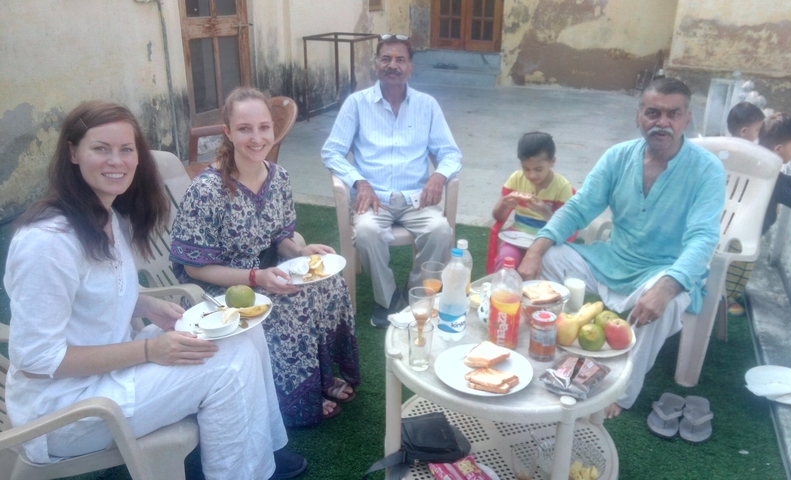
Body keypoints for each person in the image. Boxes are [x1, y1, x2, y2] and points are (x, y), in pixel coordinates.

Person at [4, 100, 306, 479]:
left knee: (244, 330)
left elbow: (91, 295)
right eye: (101, 148)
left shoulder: (109, 218)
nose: (117, 161)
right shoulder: (46, 242)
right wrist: (148, 349)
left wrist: (143, 304)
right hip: (67, 412)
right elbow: (37, 360)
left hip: (108, 376)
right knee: (230, 363)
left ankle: (265, 451)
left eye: (126, 149)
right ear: (73, 153)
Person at [518, 78, 726, 418]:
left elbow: (703, 238)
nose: (662, 122)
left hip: (662, 270)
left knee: (670, 301)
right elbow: (579, 207)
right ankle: (547, 355)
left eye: (673, 114)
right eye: (653, 112)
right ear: (639, 116)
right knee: (550, 259)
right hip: (610, 261)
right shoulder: (618, 157)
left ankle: (620, 393)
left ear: (687, 119)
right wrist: (536, 249)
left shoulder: (707, 170)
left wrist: (666, 286)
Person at [170, 87, 360, 427]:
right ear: (228, 132)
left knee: (329, 285)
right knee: (292, 308)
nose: (257, 138)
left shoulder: (279, 177)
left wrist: (301, 251)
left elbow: (280, 238)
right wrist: (256, 278)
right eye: (245, 129)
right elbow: (193, 267)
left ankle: (322, 375)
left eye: (264, 128)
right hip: (222, 292)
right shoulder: (207, 190)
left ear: (274, 129)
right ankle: (295, 397)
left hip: (264, 275)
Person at [321, 33, 462, 328]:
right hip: (374, 198)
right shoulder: (356, 104)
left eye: (400, 59)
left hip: (416, 198)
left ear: (410, 68)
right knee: (368, 233)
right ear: (376, 65)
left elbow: (450, 153)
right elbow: (331, 152)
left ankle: (417, 296)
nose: (393, 65)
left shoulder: (427, 105)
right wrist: (360, 182)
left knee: (439, 230)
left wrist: (438, 175)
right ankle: (388, 300)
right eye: (386, 58)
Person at [723, 113, 791, 315]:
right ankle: (725, 300)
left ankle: (723, 293)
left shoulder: (762, 164)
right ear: (779, 149)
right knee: (739, 268)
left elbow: (783, 181)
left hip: (738, 225)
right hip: (746, 231)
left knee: (730, 264)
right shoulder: (769, 174)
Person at [490, 132, 574, 272]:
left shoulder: (562, 187)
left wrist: (544, 212)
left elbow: (565, 228)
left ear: (552, 162)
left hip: (547, 239)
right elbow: (497, 216)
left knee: (545, 266)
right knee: (507, 260)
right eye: (526, 169)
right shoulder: (517, 178)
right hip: (517, 235)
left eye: (538, 169)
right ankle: (503, 291)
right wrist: (505, 205)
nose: (531, 175)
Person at [722, 101, 765, 316]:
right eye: (757, 130)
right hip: (736, 220)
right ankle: (727, 299)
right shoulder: (754, 157)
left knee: (724, 261)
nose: (758, 135)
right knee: (738, 262)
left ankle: (723, 296)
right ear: (745, 131)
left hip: (722, 216)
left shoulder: (721, 148)